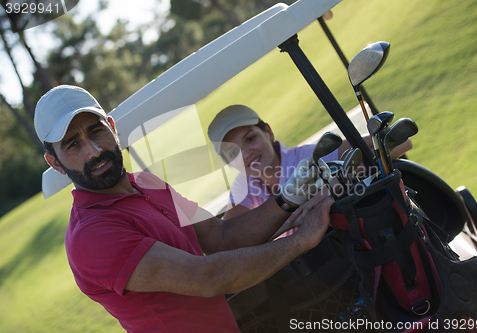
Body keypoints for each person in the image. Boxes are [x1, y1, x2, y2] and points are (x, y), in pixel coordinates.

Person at [34, 85, 334, 333]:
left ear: (112, 128)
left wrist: (289, 198)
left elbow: (222, 236)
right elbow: (207, 276)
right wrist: (299, 240)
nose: (94, 151)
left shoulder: (147, 183)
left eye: (96, 131)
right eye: (73, 145)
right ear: (55, 163)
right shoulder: (92, 235)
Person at [208, 105, 412, 230]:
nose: (245, 154)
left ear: (268, 133)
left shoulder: (306, 158)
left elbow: (401, 142)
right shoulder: (243, 187)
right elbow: (228, 238)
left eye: (250, 139)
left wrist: (331, 185)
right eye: (233, 153)